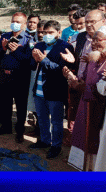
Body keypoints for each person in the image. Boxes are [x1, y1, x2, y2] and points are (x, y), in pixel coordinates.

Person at [28, 20, 74, 159]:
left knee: (56, 121)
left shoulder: (66, 47)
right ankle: (45, 140)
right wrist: (35, 59)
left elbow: (61, 69)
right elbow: (32, 66)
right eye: (44, 32)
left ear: (59, 33)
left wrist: (43, 60)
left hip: (55, 91)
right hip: (39, 90)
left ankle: (56, 146)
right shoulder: (39, 45)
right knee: (42, 118)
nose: (46, 35)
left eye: (50, 33)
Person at [67, 27, 106, 170]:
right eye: (93, 39)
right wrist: (73, 80)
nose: (94, 43)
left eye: (98, 39)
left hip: (100, 113)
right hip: (87, 106)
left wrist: (84, 87)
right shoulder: (93, 58)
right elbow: (83, 80)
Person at [0, 12, 33, 144]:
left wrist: (16, 50)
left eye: (18, 22)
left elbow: (28, 60)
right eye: (13, 21)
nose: (15, 24)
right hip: (4, 75)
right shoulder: (4, 36)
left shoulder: (28, 39)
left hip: (20, 76)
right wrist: (3, 49)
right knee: (4, 103)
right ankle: (6, 127)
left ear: (24, 24)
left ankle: (20, 131)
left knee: (21, 105)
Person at [63, 10, 106, 133]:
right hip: (79, 83)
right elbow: (76, 58)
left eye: (92, 22)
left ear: (103, 21)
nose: (88, 25)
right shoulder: (80, 37)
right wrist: (71, 63)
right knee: (76, 117)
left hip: (98, 91)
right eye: (86, 22)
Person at [27, 19, 47, 136]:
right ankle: (38, 129)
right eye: (38, 32)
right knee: (36, 104)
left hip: (48, 83)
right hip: (36, 80)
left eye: (43, 32)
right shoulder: (36, 46)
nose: (40, 35)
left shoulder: (55, 46)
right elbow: (32, 65)